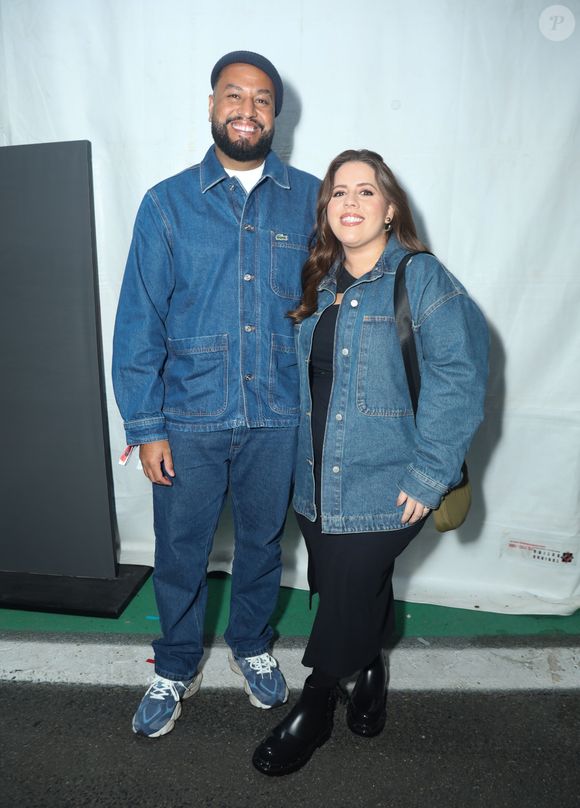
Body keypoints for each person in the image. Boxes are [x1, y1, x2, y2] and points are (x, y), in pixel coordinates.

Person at [252, 149, 489, 775]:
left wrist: (429, 471)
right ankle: (372, 667)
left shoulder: (422, 277)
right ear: (327, 210)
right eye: (338, 193)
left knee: (346, 590)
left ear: (389, 210)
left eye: (365, 191)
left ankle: (316, 705)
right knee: (351, 586)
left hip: (392, 481)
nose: (349, 202)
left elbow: (459, 376)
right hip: (318, 482)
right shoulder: (321, 286)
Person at [112, 51, 319, 738]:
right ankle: (174, 665)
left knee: (263, 546)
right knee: (179, 552)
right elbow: (139, 321)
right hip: (188, 419)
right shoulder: (166, 204)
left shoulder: (313, 199)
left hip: (278, 417)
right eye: (234, 95)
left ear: (275, 115)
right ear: (210, 105)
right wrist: (146, 427)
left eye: (262, 99)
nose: (247, 109)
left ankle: (252, 646)